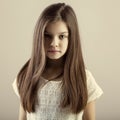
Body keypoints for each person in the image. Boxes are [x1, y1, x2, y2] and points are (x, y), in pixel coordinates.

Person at [12, 3, 103, 120]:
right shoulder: (27, 76)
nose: (54, 43)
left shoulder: (84, 79)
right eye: (47, 36)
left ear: (72, 38)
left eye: (61, 36)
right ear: (39, 37)